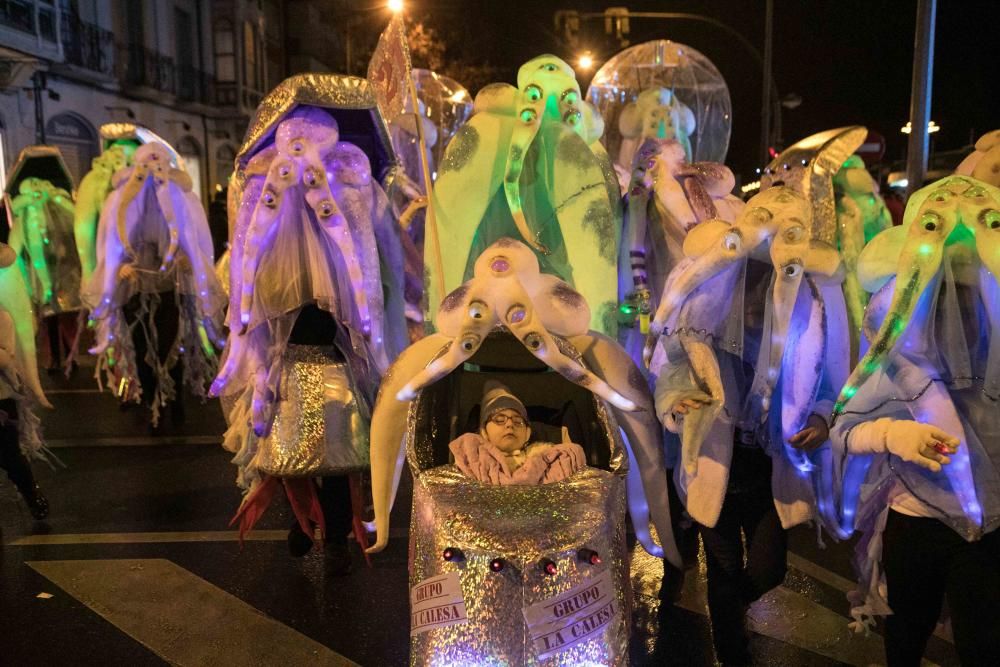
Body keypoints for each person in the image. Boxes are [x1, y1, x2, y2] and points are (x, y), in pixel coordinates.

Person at [828, 175, 1000, 666]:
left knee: (984, 644)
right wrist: (894, 433)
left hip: (991, 525)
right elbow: (845, 429)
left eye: (970, 293)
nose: (960, 312)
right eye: (947, 294)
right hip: (917, 515)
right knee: (906, 633)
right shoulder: (903, 343)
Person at [449, 381, 586, 485]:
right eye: (500, 419)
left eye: (518, 421)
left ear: (527, 433)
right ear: (484, 432)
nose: (509, 424)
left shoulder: (551, 460)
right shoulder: (469, 464)